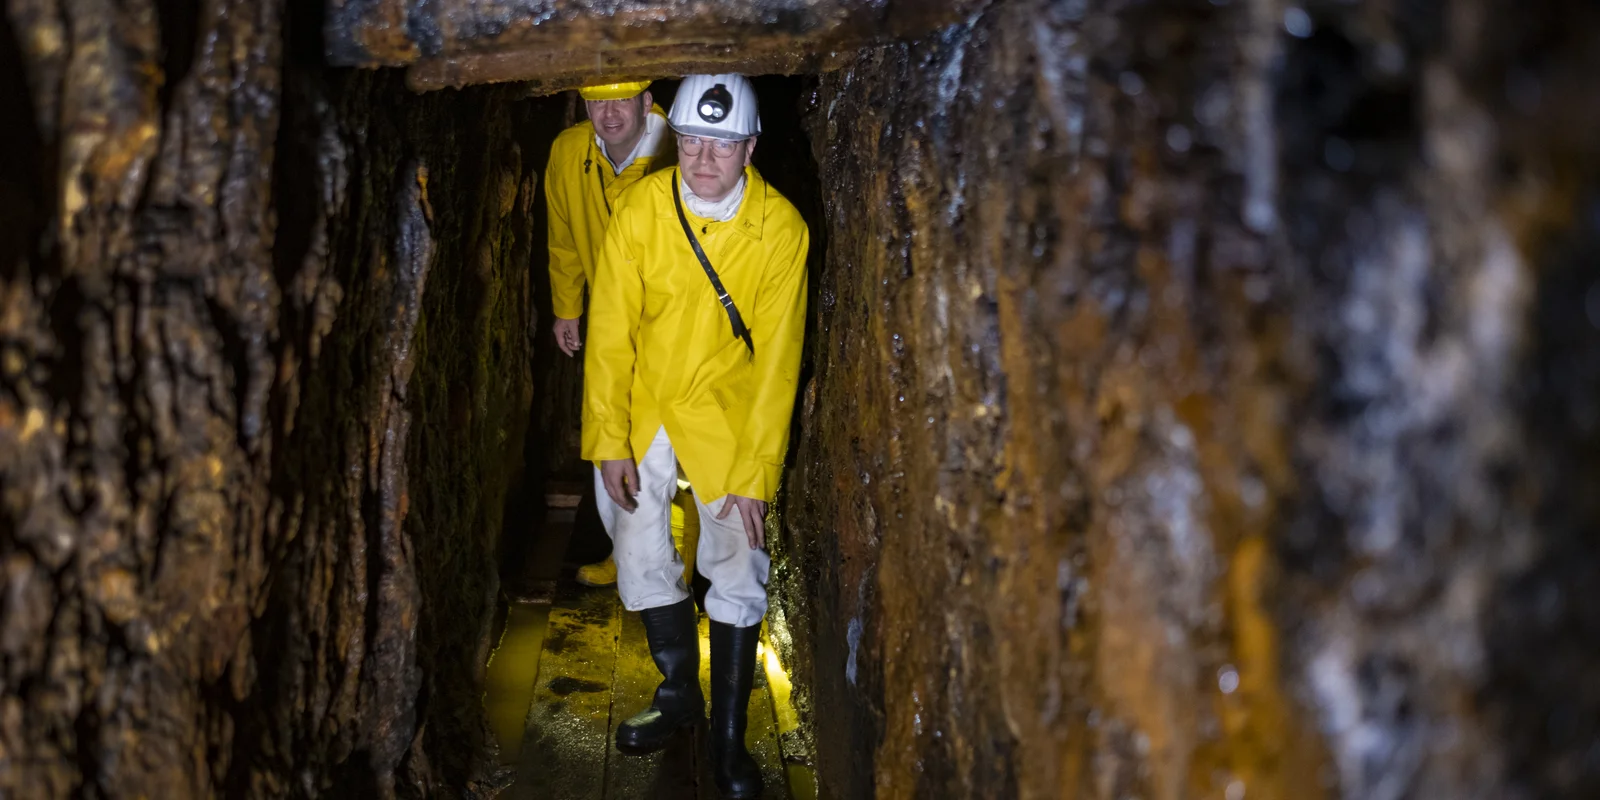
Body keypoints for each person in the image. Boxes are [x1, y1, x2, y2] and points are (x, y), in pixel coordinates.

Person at [583, 73, 808, 799]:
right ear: (673, 138)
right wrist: (608, 439)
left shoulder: (781, 231)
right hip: (643, 399)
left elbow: (778, 363)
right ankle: (680, 691)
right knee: (637, 544)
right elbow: (610, 335)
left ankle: (731, 741)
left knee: (738, 560)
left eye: (720, 143)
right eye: (690, 140)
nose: (702, 158)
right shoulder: (640, 211)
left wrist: (755, 474)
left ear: (748, 147)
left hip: (728, 411)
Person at [543, 78, 700, 590]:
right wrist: (568, 308)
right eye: (596, 102)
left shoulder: (685, 150)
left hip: (684, 327)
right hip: (617, 328)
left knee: (693, 454)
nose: (609, 114)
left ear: (646, 103)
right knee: (617, 442)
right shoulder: (569, 152)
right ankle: (624, 552)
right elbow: (563, 235)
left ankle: (695, 567)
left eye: (621, 101)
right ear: (583, 103)